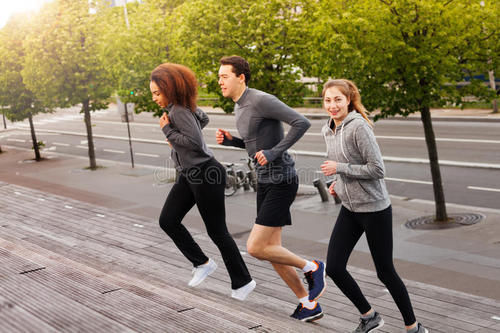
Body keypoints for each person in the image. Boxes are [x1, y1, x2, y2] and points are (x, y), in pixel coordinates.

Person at [215, 56, 326, 322]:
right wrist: (233, 142)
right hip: (265, 181)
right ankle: (308, 304)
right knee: (271, 250)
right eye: (218, 77)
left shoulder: (261, 99)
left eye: (224, 76)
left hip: (282, 180)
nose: (219, 81)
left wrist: (275, 152)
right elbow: (256, 147)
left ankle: (313, 267)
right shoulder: (239, 106)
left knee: (255, 247)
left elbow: (301, 122)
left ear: (241, 77)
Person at [320, 79, 428, 333]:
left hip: (375, 210)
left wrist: (340, 169)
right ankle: (370, 316)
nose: (332, 105)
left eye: (338, 100)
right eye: (327, 100)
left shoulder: (359, 127)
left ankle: (413, 327)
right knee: (334, 267)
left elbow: (378, 169)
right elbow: (339, 166)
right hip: (350, 209)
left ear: (348, 100)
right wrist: (335, 182)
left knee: (385, 272)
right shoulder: (327, 130)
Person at [150, 63, 256, 301]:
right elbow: (202, 119)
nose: (154, 98)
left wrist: (168, 131)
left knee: (217, 232)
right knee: (168, 220)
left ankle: (243, 282)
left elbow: (196, 143)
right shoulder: (181, 107)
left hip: (205, 173)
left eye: (157, 92)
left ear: (169, 88)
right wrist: (177, 136)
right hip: (190, 174)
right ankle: (202, 263)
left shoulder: (176, 111)